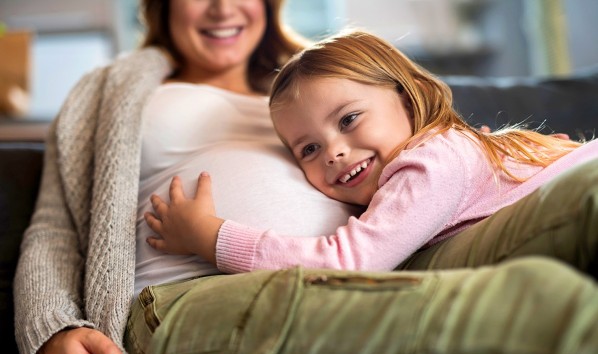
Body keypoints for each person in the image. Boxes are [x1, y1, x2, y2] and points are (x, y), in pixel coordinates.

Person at [8, 3, 598, 354]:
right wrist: (52, 331)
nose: (219, 6)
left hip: (391, 264)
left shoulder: (326, 72)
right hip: (184, 292)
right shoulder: (112, 86)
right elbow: (55, 227)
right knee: (537, 307)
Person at [144, 29, 598, 275]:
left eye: (348, 120)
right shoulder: (450, 156)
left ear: (408, 96)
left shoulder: (432, 162)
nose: (334, 153)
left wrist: (213, 238)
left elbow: (348, 263)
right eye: (308, 148)